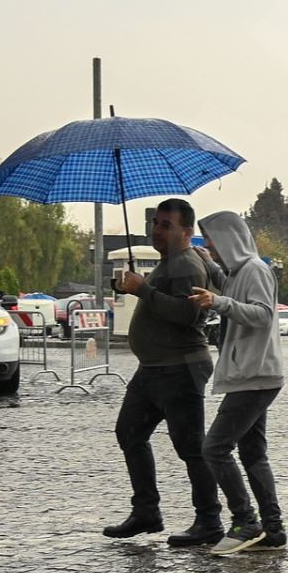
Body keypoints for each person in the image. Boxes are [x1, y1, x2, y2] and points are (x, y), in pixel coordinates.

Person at [104, 199, 224, 547]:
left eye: (166, 225)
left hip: (179, 368)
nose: (157, 230)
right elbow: (160, 302)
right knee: (129, 432)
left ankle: (209, 520)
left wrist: (143, 290)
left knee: (190, 447)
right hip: (154, 369)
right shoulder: (169, 263)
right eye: (155, 223)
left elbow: (188, 315)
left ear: (187, 232)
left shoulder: (186, 265)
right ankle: (146, 511)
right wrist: (136, 287)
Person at [190, 210, 287, 553]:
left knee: (214, 448)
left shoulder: (256, 270)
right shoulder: (238, 272)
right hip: (253, 375)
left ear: (230, 240)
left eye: (213, 242)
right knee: (252, 454)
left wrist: (218, 302)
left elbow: (262, 314)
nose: (211, 247)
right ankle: (273, 530)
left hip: (255, 375)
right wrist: (209, 266)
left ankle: (246, 520)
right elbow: (228, 285)